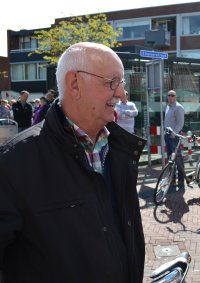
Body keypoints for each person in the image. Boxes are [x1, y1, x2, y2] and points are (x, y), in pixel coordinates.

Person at [0, 42, 146, 283]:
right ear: (75, 84)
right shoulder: (14, 164)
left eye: (122, 83)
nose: (121, 93)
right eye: (112, 82)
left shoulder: (120, 150)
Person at [164, 89, 185, 186]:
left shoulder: (178, 107)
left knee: (178, 158)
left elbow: (180, 123)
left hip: (174, 136)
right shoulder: (168, 107)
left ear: (175, 97)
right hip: (167, 135)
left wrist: (174, 134)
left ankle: (181, 179)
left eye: (172, 95)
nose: (170, 97)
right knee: (170, 158)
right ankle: (172, 178)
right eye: (169, 95)